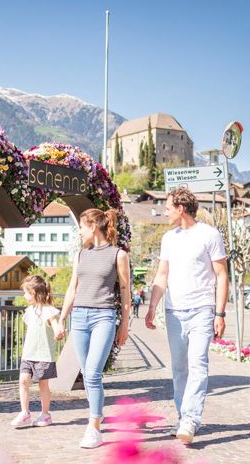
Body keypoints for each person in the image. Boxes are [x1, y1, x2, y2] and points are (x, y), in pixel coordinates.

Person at [145, 187, 228, 444]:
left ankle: (190, 419)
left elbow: (221, 275)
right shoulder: (169, 238)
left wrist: (220, 313)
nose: (165, 211)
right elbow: (162, 275)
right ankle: (183, 417)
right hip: (173, 312)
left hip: (202, 310)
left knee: (198, 364)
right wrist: (151, 308)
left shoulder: (210, 234)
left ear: (181, 208)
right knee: (179, 368)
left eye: (168, 207)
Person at [57, 208, 131, 448]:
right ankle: (96, 416)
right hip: (79, 317)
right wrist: (62, 318)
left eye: (81, 227)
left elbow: (125, 291)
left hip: (104, 317)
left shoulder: (118, 255)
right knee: (88, 375)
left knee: (92, 373)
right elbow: (72, 288)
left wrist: (125, 325)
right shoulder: (81, 254)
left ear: (93, 226)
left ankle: (94, 426)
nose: (79, 232)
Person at [10, 275, 61, 428]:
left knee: (43, 385)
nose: (24, 296)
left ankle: (45, 414)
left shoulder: (50, 311)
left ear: (33, 292)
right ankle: (24, 413)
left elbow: (56, 325)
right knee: (23, 380)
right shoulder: (29, 311)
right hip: (28, 353)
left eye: (25, 292)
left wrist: (59, 330)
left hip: (44, 355)